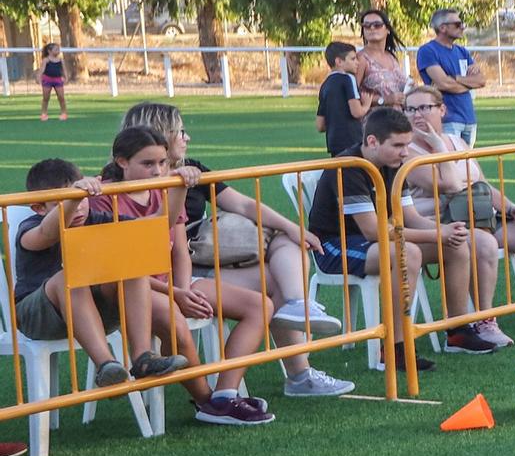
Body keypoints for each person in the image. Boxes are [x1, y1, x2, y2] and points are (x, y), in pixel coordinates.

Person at [119, 101, 352, 397]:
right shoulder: (128, 186)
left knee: (287, 245)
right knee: (273, 283)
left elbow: (242, 203)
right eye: (180, 131)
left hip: (203, 257)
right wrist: (180, 291)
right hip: (180, 268)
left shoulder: (193, 171)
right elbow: (165, 242)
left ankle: (297, 317)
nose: (186, 138)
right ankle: (286, 374)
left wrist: (294, 227)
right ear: (160, 134)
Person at [94, 127, 267, 424]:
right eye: (148, 164)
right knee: (173, 317)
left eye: (162, 163)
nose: (158, 170)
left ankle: (224, 394)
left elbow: (178, 250)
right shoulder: (104, 198)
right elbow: (118, 268)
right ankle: (206, 402)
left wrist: (184, 288)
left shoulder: (164, 189)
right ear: (122, 162)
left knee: (260, 306)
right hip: (130, 288)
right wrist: (177, 295)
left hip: (172, 283)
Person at [307, 106, 500, 362]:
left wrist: (445, 231)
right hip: (333, 245)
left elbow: (411, 218)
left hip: (371, 242)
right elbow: (374, 231)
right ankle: (396, 347)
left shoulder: (393, 164)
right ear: (372, 142)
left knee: (455, 245)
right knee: (406, 252)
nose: (406, 152)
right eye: (398, 145)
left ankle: (458, 331)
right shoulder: (349, 167)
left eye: (407, 144)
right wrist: (436, 235)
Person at [401, 85, 515, 332]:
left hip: (482, 216)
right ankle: (485, 320)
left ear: (442, 110)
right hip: (442, 224)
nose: (416, 115)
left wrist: (509, 207)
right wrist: (438, 148)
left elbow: (481, 185)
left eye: (423, 107)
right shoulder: (406, 151)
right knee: (483, 243)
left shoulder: (457, 142)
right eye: (409, 109)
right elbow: (449, 185)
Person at [11, 159, 173, 388]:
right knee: (67, 278)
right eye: (63, 203)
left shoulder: (96, 219)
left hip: (92, 314)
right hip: (37, 318)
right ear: (39, 208)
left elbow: (155, 224)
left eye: (81, 200)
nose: (77, 208)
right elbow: (48, 233)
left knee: (129, 264)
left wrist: (180, 187)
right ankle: (106, 365)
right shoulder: (29, 228)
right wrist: (74, 195)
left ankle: (143, 357)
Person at [416, 9, 486, 145]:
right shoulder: (428, 51)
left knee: (466, 165)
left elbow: (481, 81)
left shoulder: (462, 51)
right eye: (457, 24)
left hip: (469, 118)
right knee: (449, 164)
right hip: (447, 119)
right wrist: (469, 84)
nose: (462, 27)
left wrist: (456, 79)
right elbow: (443, 84)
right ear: (442, 28)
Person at [316, 41, 373, 156]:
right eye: (353, 59)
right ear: (339, 62)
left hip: (334, 144)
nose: (357, 63)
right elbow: (356, 112)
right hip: (352, 141)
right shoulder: (348, 79)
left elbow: (320, 125)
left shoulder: (325, 85)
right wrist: (366, 105)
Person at [355, 9, 408, 110]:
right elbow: (352, 94)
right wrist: (383, 100)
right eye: (366, 25)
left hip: (398, 119)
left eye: (377, 25)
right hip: (375, 121)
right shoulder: (361, 59)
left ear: (387, 29)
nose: (372, 28)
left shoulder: (391, 56)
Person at [38, 42, 67, 122]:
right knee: (46, 98)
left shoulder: (60, 60)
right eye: (56, 49)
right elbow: (42, 70)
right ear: (49, 51)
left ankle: (64, 113)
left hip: (58, 80)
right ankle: (44, 114)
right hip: (47, 80)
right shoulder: (46, 60)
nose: (58, 51)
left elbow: (64, 69)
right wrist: (39, 78)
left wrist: (66, 77)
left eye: (58, 49)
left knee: (61, 97)